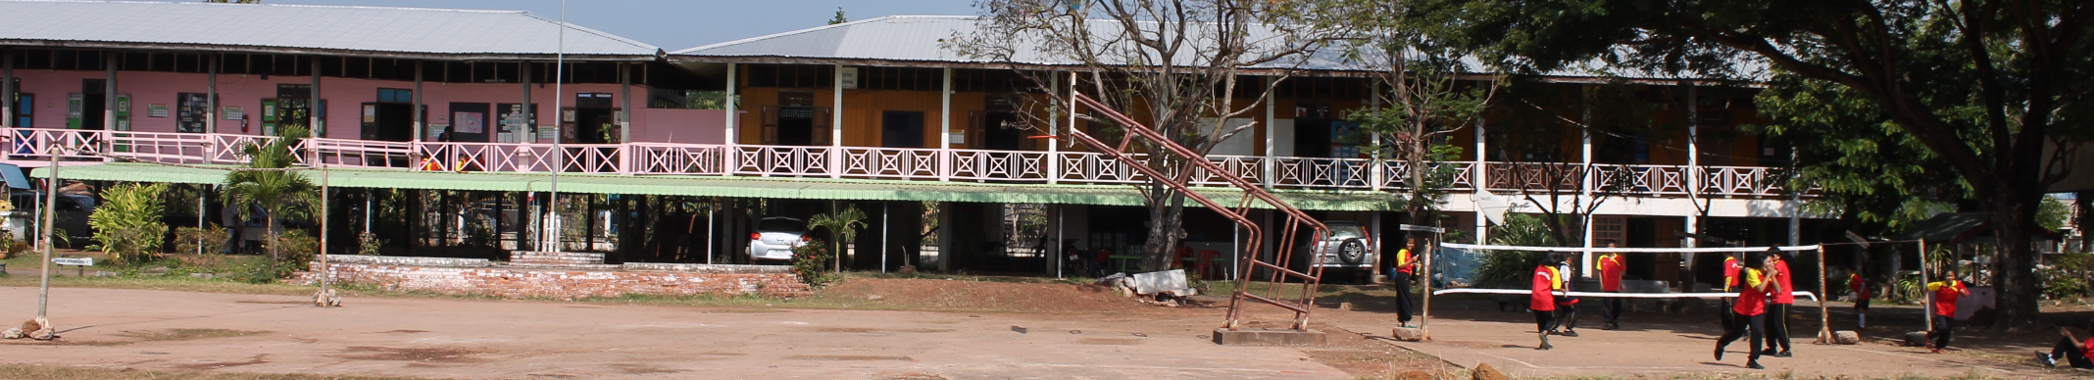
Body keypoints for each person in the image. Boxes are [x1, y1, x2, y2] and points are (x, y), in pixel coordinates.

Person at [1715, 250, 1779, 370]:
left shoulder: (1768, 275)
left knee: (1758, 333)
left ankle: (1753, 359)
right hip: (1743, 308)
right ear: (1762, 264)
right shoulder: (1753, 273)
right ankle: (1722, 343)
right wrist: (1769, 275)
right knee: (1737, 332)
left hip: (1757, 310)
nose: (1772, 263)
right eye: (1769, 261)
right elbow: (1760, 289)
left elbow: (1778, 290)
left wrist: (1772, 276)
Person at [1924, 269, 1969, 353]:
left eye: (1951, 276)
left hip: (1951, 311)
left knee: (1947, 331)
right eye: (1947, 276)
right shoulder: (1940, 285)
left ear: (1954, 277)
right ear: (1944, 277)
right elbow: (1927, 287)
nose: (1949, 278)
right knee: (1942, 327)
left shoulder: (1958, 285)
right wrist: (1924, 298)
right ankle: (1930, 336)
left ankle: (1939, 347)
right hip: (1940, 309)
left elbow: (1966, 295)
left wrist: (1963, 293)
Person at [1761, 249, 1795, 357]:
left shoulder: (1780, 263)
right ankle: (1772, 347)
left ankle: (1786, 348)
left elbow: (1773, 273)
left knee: (1779, 323)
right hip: (1775, 298)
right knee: (1769, 323)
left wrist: (1762, 268)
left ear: (1778, 256)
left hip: (1783, 298)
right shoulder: (1773, 265)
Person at [1531, 252, 1561, 350]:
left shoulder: (1538, 269)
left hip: (1535, 297)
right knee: (1554, 320)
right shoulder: (1554, 271)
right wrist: (1563, 289)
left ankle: (1543, 344)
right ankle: (1544, 333)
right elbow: (1556, 287)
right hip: (1545, 298)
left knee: (1541, 321)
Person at [1391, 238, 1419, 328]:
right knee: (1405, 297)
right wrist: (1412, 261)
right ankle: (1407, 319)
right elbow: (1400, 265)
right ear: (1405, 243)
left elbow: (1407, 265)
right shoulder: (1402, 252)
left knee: (1401, 297)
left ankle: (1401, 320)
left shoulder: (1408, 253)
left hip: (1405, 276)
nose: (1411, 245)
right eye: (1409, 243)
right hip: (1402, 275)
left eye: (1412, 243)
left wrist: (1413, 265)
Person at [1597, 243, 1626, 330]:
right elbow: (1600, 272)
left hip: (1616, 285)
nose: (1610, 249)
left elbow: (1621, 272)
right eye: (1608, 247)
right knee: (1606, 304)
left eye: (1612, 247)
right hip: (1606, 285)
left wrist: (1619, 284)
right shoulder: (1602, 258)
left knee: (1617, 304)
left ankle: (1615, 320)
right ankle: (1607, 322)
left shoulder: (1619, 258)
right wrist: (1601, 284)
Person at [1553, 252, 1582, 337]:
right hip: (1567, 293)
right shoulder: (1564, 267)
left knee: (1562, 311)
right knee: (1575, 310)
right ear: (1568, 259)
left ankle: (1552, 327)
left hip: (1561, 293)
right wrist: (1567, 290)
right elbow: (1565, 278)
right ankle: (1569, 328)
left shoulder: (1558, 267)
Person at [1721, 252, 1744, 328]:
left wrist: (1725, 289)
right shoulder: (1734, 261)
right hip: (1736, 287)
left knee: (1729, 310)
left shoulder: (1728, 262)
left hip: (1731, 287)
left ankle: (1738, 328)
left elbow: (1728, 276)